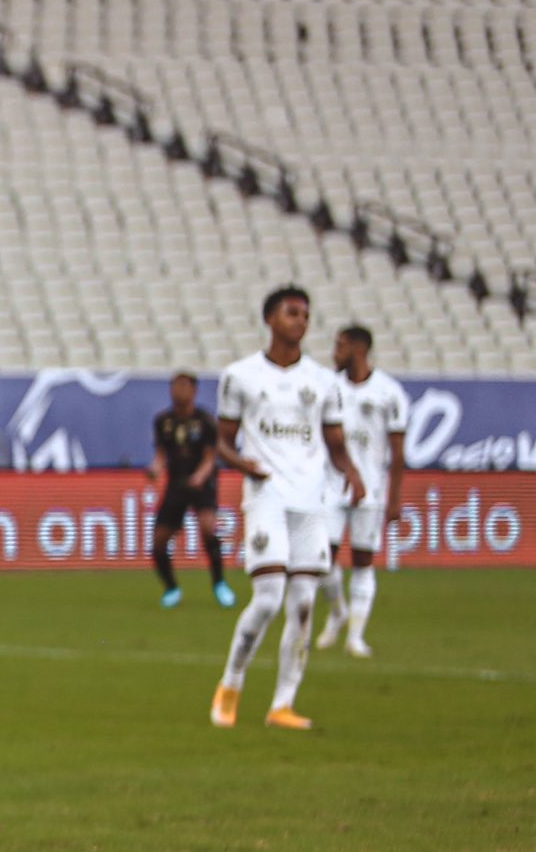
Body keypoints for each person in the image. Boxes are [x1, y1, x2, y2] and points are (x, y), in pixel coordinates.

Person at [208, 287, 364, 731]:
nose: (301, 321)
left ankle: (282, 704)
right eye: (292, 313)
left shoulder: (323, 382)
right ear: (271, 319)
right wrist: (242, 464)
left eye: (306, 315)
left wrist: (351, 471)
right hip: (267, 495)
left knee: (302, 603)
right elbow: (222, 438)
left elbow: (334, 440)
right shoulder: (240, 376)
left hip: (311, 500)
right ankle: (231, 682)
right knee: (269, 597)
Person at [315, 325, 408, 657]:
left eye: (339, 346)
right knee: (321, 556)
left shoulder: (389, 393)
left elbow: (398, 452)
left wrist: (394, 498)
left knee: (363, 560)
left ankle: (355, 636)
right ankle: (338, 611)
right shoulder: (327, 387)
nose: (334, 353)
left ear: (358, 348)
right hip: (331, 485)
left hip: (371, 489)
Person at [147, 372, 234, 609]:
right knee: (158, 542)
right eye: (175, 386)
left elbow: (210, 457)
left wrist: (199, 476)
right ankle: (171, 589)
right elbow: (161, 454)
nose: (178, 391)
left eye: (184, 386)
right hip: (176, 484)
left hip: (201, 484)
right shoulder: (162, 421)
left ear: (194, 390)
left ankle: (219, 584)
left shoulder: (205, 420)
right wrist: (155, 468)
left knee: (208, 529)